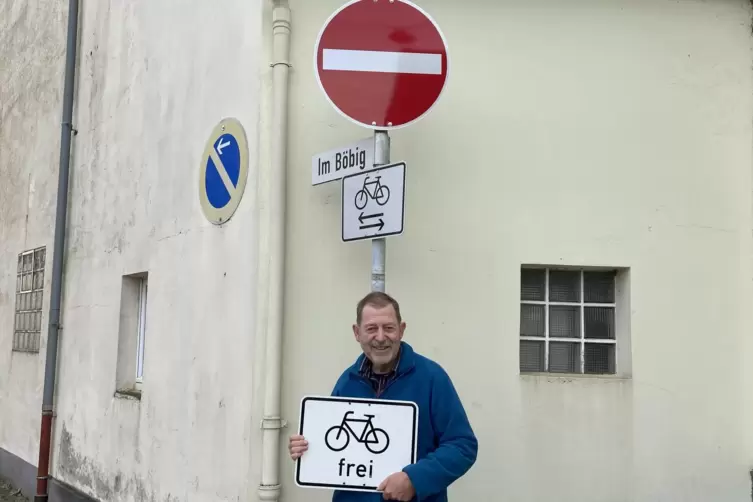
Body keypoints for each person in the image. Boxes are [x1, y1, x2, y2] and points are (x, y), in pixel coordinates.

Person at [289, 291, 478, 501]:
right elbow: (332, 448)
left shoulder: (432, 378)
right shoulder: (347, 381)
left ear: (401, 330)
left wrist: (414, 479)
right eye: (371, 329)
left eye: (388, 328)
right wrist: (308, 448)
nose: (380, 337)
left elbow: (462, 445)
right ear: (357, 332)